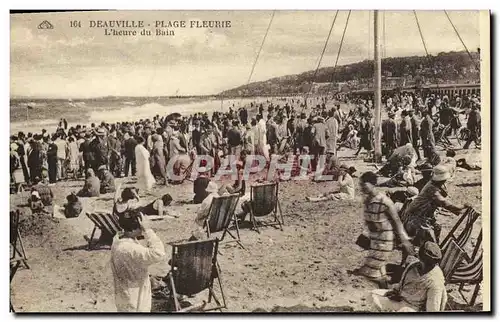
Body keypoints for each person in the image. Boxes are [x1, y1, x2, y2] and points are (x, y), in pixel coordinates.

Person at [353, 171, 414, 287]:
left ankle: (387, 290)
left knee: (370, 272)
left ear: (373, 184)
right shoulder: (367, 201)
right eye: (361, 185)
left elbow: (396, 221)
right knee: (378, 271)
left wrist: (404, 240)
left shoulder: (384, 201)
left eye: (364, 185)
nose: (362, 188)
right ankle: (386, 291)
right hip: (375, 240)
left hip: (384, 240)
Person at [402, 165, 469, 248]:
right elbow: (443, 202)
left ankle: (426, 246)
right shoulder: (432, 188)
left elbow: (443, 202)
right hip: (415, 217)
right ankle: (429, 252)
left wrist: (457, 210)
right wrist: (460, 207)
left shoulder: (435, 184)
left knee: (437, 228)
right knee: (430, 237)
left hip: (423, 215)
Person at [110, 213, 166, 312]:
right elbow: (159, 253)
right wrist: (148, 230)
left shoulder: (117, 241)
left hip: (123, 293)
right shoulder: (131, 249)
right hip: (135, 296)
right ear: (135, 228)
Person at [369, 241, 447, 312]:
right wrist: (395, 292)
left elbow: (432, 310)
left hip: (413, 308)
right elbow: (401, 285)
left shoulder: (435, 280)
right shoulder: (413, 265)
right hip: (401, 299)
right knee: (373, 295)